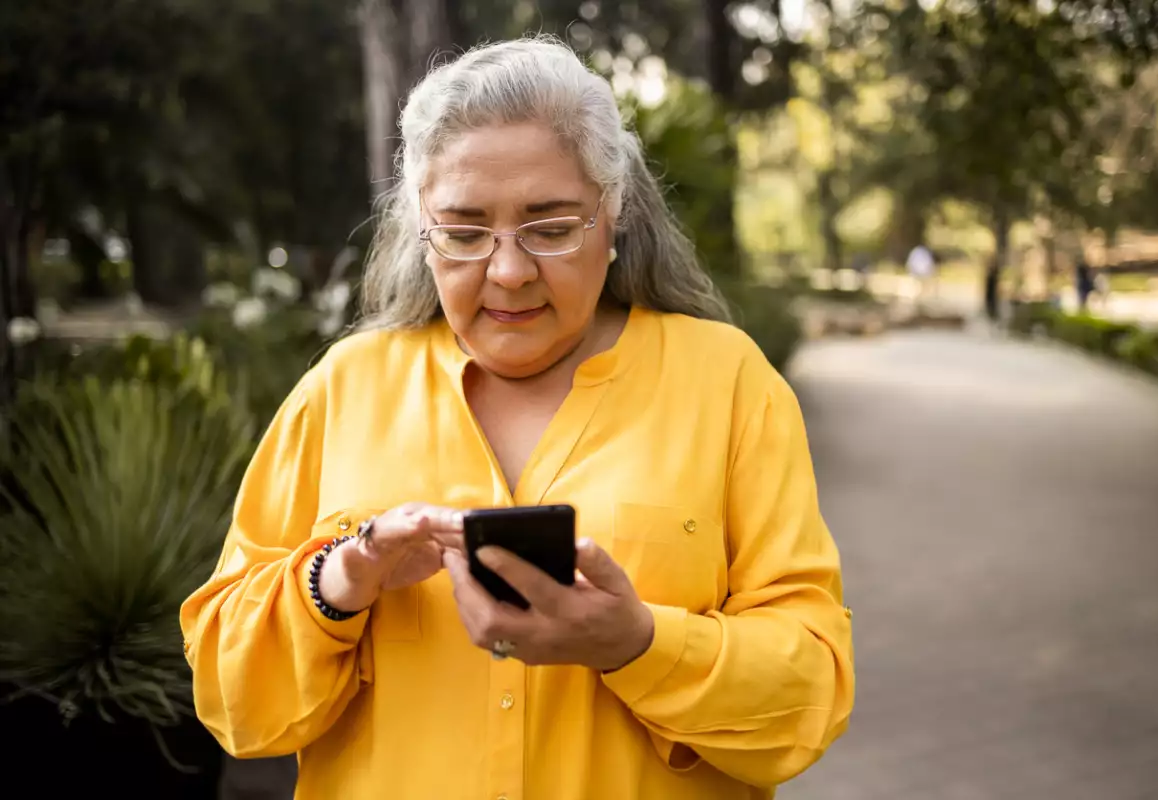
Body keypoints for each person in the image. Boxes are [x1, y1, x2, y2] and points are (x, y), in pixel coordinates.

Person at [181, 36, 854, 800]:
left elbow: (810, 693)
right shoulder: (344, 388)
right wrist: (340, 580)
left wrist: (638, 644)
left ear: (615, 210)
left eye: (551, 226)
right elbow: (233, 700)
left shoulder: (727, 382)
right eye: (465, 233)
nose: (508, 270)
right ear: (421, 230)